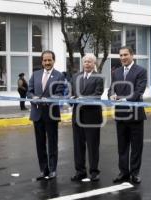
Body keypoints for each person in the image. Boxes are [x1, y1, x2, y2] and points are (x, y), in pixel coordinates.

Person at [108, 46, 147, 184]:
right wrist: (111, 95)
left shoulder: (141, 71)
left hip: (135, 115)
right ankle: (123, 172)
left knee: (136, 147)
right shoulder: (116, 71)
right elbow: (112, 88)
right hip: (120, 115)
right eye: (121, 55)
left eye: (125, 55)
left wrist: (123, 99)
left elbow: (139, 91)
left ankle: (135, 173)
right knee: (122, 146)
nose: (123, 58)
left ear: (132, 55)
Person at [27, 50, 65, 180]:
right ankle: (43, 170)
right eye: (45, 60)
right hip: (37, 114)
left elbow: (60, 93)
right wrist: (34, 98)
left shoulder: (59, 76)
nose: (47, 62)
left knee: (52, 143)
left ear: (54, 61)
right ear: (42, 61)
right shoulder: (35, 74)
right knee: (40, 144)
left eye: (49, 60)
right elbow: (29, 92)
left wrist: (48, 99)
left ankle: (53, 170)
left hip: (51, 114)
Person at [70, 53, 104, 182]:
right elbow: (71, 93)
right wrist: (71, 99)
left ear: (94, 64)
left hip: (92, 116)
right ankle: (80, 171)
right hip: (77, 115)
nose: (87, 64)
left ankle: (94, 172)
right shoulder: (75, 77)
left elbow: (97, 94)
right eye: (85, 62)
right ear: (82, 63)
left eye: (90, 62)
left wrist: (81, 99)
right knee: (78, 145)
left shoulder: (99, 77)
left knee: (92, 145)